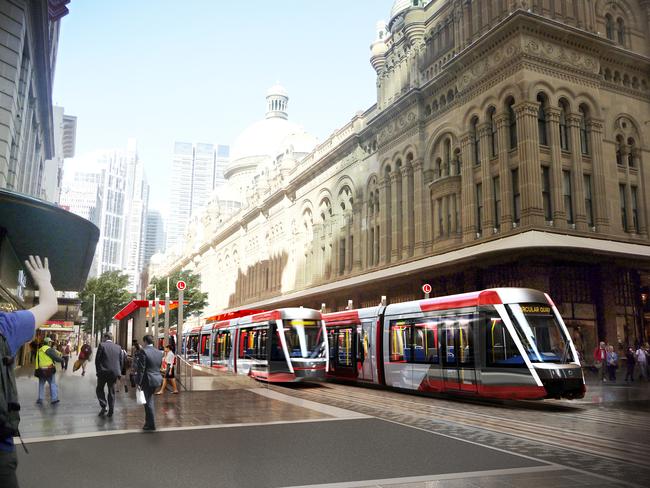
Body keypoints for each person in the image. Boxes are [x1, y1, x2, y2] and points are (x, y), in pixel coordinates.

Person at [0, 256, 58, 488]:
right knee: (49, 385)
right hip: (0, 453)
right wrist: (44, 280)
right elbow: (50, 305)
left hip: (41, 371)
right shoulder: (5, 325)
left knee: (44, 385)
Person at [135, 335, 163, 431]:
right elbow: (158, 366)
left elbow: (141, 369)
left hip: (147, 379)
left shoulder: (144, 351)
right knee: (148, 400)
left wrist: (138, 382)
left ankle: (151, 424)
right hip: (156, 379)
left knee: (148, 402)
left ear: (145, 341)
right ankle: (148, 423)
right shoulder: (159, 352)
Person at [94, 332, 125, 417]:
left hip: (103, 372)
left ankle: (104, 405)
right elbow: (121, 361)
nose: (103, 339)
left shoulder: (102, 345)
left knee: (99, 389)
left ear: (106, 337)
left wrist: (98, 372)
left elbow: (97, 360)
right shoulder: (118, 347)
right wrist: (119, 372)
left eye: (103, 337)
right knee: (111, 391)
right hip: (114, 373)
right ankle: (111, 410)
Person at [35, 336, 63, 404]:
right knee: (53, 384)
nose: (51, 343)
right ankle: (54, 399)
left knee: (41, 384)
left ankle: (40, 399)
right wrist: (62, 360)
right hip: (49, 370)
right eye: (50, 342)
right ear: (48, 343)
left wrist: (36, 370)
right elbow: (56, 358)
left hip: (41, 370)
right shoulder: (48, 349)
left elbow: (37, 361)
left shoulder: (40, 350)